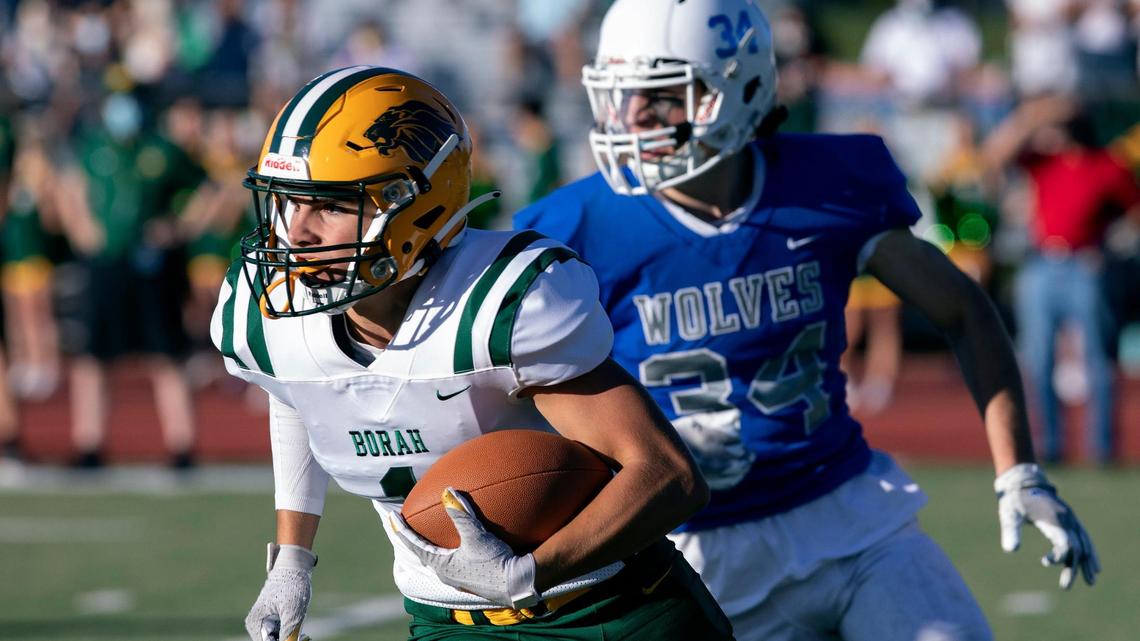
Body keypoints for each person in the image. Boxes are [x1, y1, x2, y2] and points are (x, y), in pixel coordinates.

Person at [514, 1, 1099, 640]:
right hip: (689, 547)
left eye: (663, 96)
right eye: (624, 96)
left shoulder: (828, 184)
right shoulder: (573, 228)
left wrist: (1018, 468)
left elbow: (963, 308)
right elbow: (517, 393)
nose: (634, 119)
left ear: (742, 89)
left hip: (847, 517)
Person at [213, 66, 732, 641]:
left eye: (329, 206)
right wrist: (291, 557)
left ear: (412, 207)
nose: (296, 233)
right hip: (443, 619)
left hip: (607, 608)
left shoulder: (497, 309)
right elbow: (297, 388)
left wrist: (528, 574)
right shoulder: (267, 320)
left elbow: (669, 477)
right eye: (286, 202)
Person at [983, 96, 1140, 464]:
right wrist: (1033, 114)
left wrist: (1113, 246)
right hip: (1042, 265)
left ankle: (1102, 449)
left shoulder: (1107, 165)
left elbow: (1133, 210)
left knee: (1098, 360)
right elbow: (995, 155)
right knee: (1039, 361)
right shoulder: (1044, 162)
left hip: (1084, 266)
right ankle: (1049, 446)